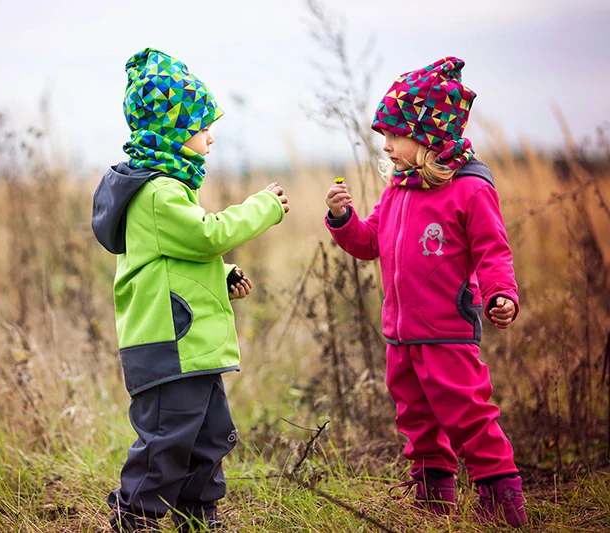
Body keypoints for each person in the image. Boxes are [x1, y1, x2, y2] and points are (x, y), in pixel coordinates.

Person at [324, 57, 528, 528]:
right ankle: (432, 502)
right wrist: (342, 220)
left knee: (469, 415)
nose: (388, 147)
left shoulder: (470, 190)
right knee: (417, 421)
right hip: (402, 335)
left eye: (395, 136)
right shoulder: (399, 190)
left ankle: (503, 503)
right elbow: (370, 242)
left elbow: (494, 251)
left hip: (447, 330)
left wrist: (502, 294)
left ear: (429, 137)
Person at [92, 47, 289, 532]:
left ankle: (199, 517)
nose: (210, 136)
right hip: (169, 348)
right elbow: (207, 235)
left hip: (190, 347)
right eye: (202, 128)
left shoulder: (169, 189)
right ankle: (133, 518)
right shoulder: (157, 192)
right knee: (166, 441)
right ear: (173, 133)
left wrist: (221, 274)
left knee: (208, 436)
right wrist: (262, 206)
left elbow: (178, 260)